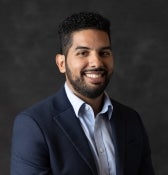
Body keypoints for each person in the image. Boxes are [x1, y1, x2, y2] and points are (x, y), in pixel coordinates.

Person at [10, 11, 155, 175]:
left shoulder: (131, 119)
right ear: (62, 63)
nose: (96, 62)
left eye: (104, 53)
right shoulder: (33, 125)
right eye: (83, 53)